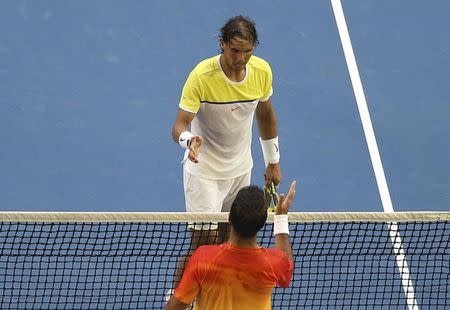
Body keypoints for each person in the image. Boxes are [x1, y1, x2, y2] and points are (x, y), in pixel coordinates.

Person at [171, 15, 282, 279]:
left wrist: (273, 161)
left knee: (229, 240)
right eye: (235, 50)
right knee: (202, 246)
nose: (241, 58)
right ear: (222, 44)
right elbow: (178, 125)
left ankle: (213, 294)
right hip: (204, 173)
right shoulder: (202, 76)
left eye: (247, 51)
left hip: (240, 171)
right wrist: (188, 140)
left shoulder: (262, 71)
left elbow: (265, 115)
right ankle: (178, 297)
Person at [165, 181, 296, 310]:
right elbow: (287, 270)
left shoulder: (203, 258)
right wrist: (280, 218)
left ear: (229, 218)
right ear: (262, 225)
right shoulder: (273, 263)